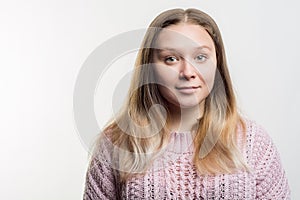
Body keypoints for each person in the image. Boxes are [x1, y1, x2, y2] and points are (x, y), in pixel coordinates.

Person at [83, 8, 290, 199]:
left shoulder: (253, 143)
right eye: (171, 59)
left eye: (201, 57)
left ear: (217, 64)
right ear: (149, 68)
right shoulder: (116, 144)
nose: (188, 72)